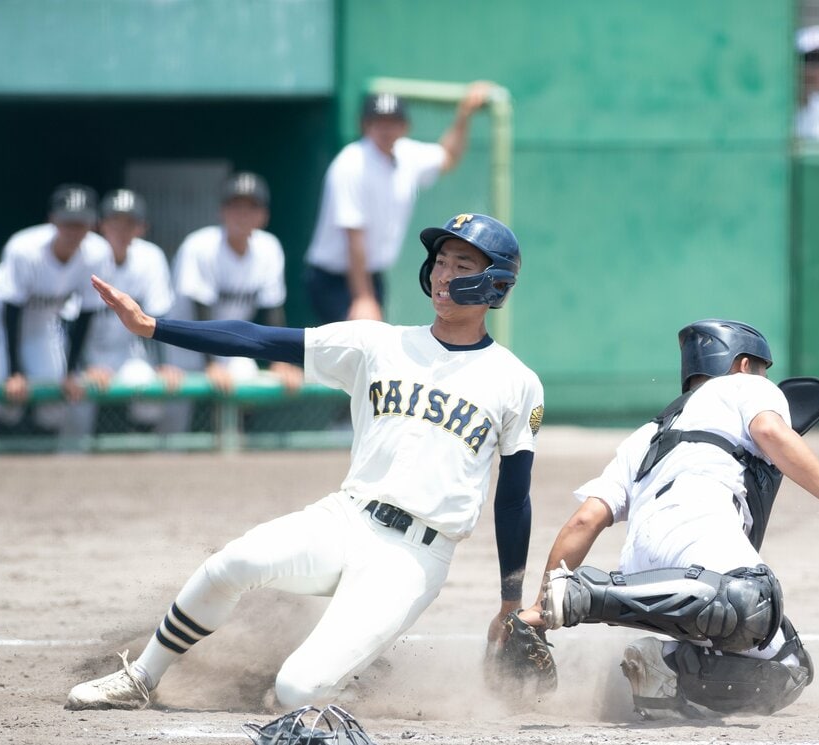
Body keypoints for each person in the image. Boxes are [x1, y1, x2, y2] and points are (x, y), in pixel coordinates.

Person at [65, 212, 544, 711]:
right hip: (346, 517)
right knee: (233, 562)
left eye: (461, 264)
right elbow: (259, 339)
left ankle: (348, 672)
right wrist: (154, 327)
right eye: (440, 261)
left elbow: (514, 497)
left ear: (494, 282)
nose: (444, 274)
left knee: (295, 691)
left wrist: (511, 602)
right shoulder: (378, 343)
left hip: (415, 558)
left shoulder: (516, 381)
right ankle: (142, 676)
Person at [516, 320, 819, 720]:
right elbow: (771, 431)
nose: (766, 379)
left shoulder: (646, 434)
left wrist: (539, 606)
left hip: (646, 567)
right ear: (743, 364)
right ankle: (585, 597)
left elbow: (584, 521)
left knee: (789, 668)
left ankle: (666, 671)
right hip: (696, 541)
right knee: (754, 599)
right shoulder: (745, 386)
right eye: (763, 369)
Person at [305, 86, 492, 324]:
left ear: (405, 126)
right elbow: (353, 235)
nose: (386, 128)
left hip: (372, 276)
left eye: (393, 121)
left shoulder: (407, 155)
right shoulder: (351, 164)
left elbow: (448, 156)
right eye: (378, 121)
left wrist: (464, 115)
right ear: (365, 125)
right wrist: (362, 297)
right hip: (335, 280)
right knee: (356, 350)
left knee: (367, 351)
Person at [0, 184, 112, 432]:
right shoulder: (25, 248)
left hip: (41, 320)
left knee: (54, 399)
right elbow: (11, 309)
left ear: (93, 224)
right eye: (67, 222)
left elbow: (87, 314)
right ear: (53, 220)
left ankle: (38, 464)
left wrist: (71, 372)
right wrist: (15, 372)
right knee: (8, 396)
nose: (73, 230)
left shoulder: (98, 252)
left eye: (80, 223)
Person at [162, 172, 298, 431]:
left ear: (264, 216)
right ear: (222, 212)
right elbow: (199, 309)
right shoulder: (200, 246)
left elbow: (273, 309)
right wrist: (212, 364)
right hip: (183, 345)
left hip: (229, 345)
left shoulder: (269, 248)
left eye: (251, 207)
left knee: (245, 383)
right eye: (236, 207)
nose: (242, 215)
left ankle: (232, 462)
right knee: (173, 422)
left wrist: (280, 360)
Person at [61, 189, 174, 446]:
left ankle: (138, 461)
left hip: (127, 352)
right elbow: (66, 322)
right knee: (73, 406)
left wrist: (163, 363)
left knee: (148, 386)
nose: (122, 230)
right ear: (101, 225)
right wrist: (83, 365)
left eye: (130, 223)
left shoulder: (150, 258)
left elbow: (158, 314)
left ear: (141, 227)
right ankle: (66, 464)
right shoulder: (85, 255)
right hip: (82, 353)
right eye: (115, 221)